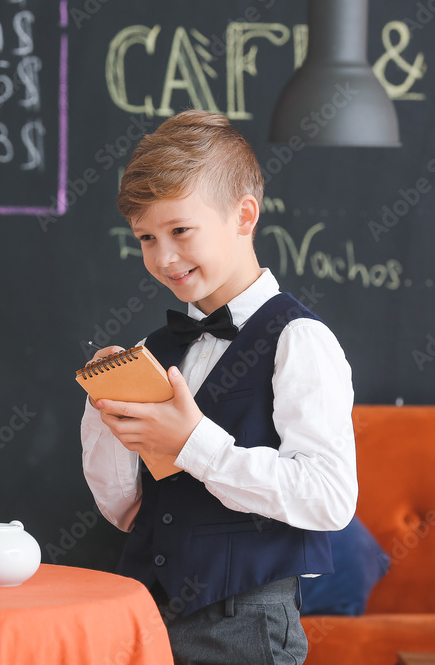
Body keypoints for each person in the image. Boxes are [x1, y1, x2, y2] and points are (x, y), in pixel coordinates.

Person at [81, 110, 357, 664]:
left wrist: (194, 444)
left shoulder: (299, 340)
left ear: (243, 216)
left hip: (246, 625)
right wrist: (105, 413)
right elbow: (126, 510)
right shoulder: (155, 350)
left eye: (181, 231)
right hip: (144, 617)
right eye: (147, 238)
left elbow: (331, 498)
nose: (164, 257)